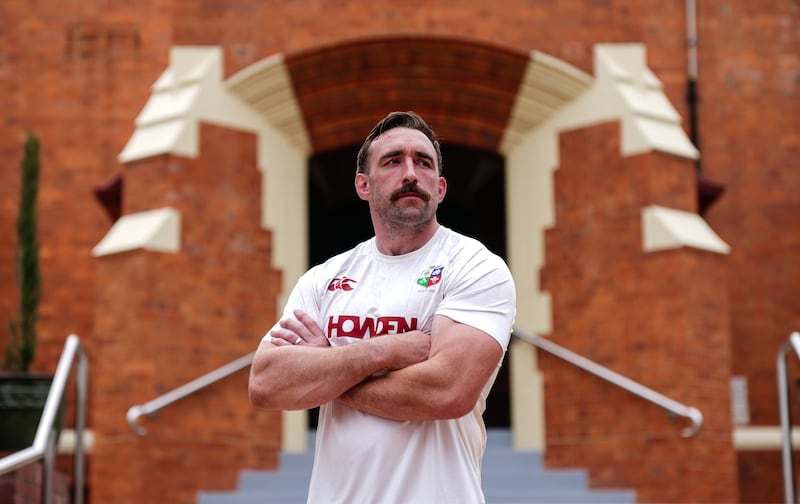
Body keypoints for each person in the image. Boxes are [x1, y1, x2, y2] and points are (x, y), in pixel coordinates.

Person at [249, 111, 516, 503]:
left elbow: (448, 391)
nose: (410, 173)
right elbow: (266, 383)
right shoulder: (324, 278)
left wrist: (326, 371)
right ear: (363, 185)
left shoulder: (475, 266)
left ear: (440, 187)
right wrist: (384, 350)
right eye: (392, 161)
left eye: (423, 163)